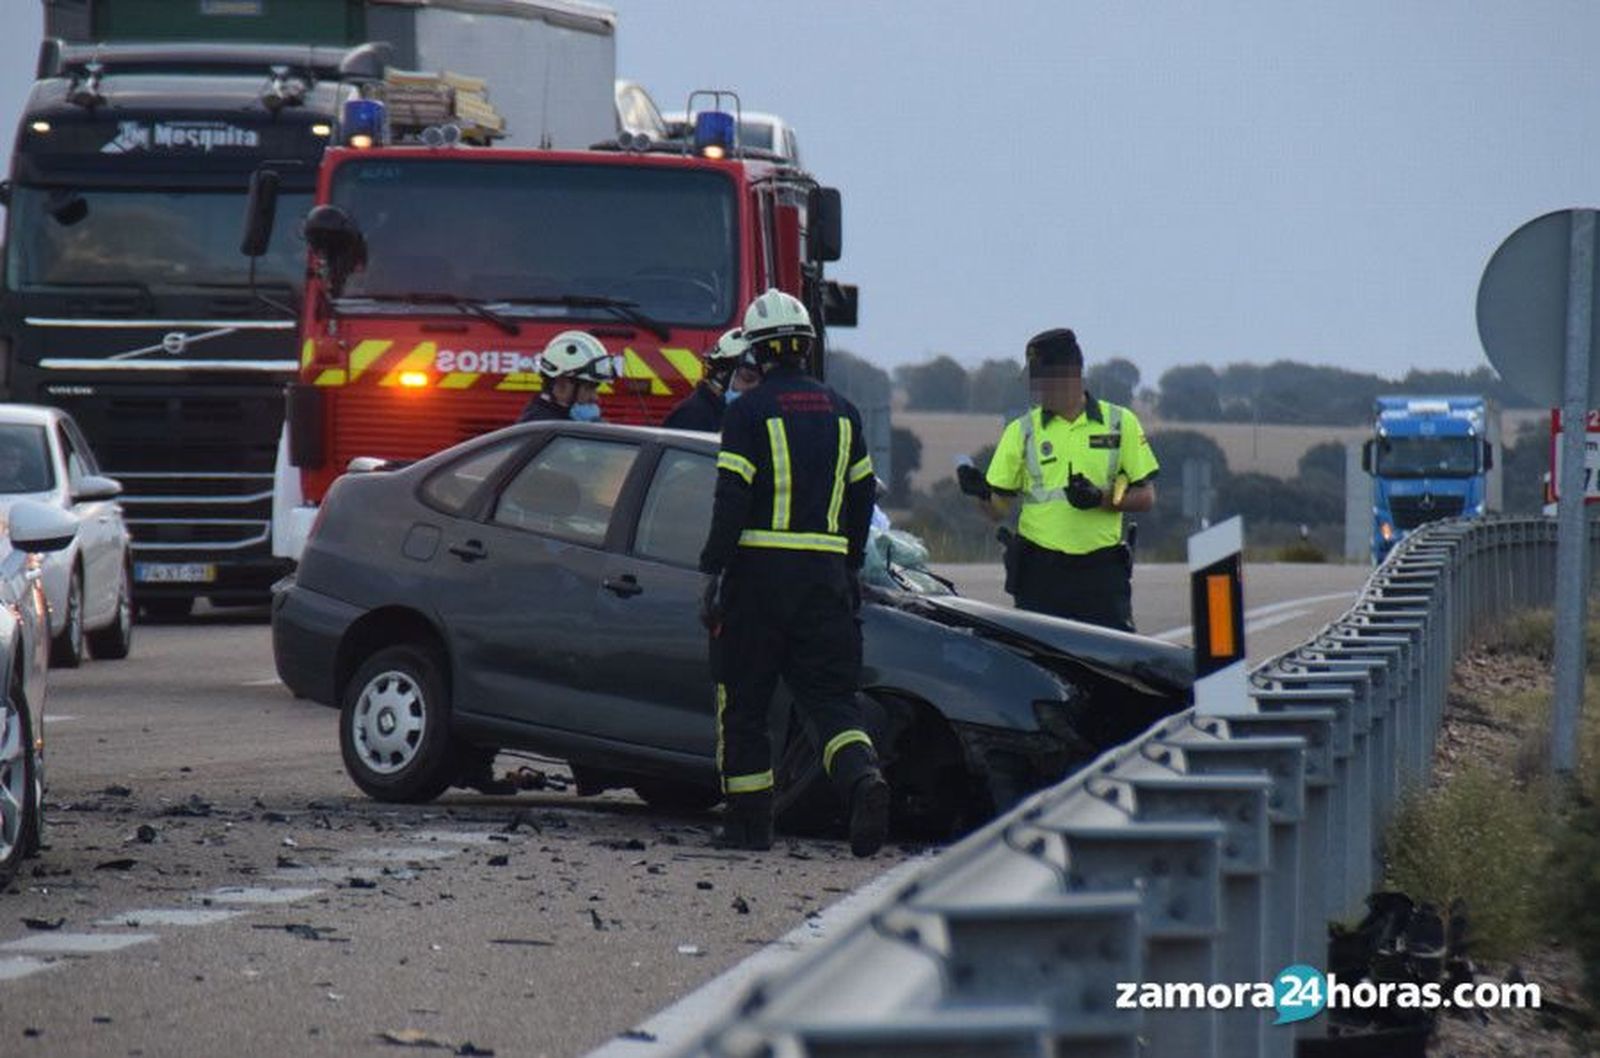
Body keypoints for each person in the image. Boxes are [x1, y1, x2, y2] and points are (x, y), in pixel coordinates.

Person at [697, 288, 889, 856]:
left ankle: (748, 828)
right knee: (832, 702)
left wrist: (713, 570)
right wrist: (849, 567)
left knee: (746, 705)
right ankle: (862, 782)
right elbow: (861, 504)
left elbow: (730, 500)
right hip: (826, 582)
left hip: (758, 581)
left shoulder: (748, 413)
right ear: (807, 348)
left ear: (756, 353)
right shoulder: (846, 413)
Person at [958, 328, 1158, 631]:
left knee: (1109, 665)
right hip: (1040, 574)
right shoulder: (1021, 430)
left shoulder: (1120, 423)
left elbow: (1145, 496)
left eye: (1042, 378)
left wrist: (1100, 498)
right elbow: (999, 509)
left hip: (1100, 574)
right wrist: (980, 494)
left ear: (1071, 374)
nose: (1035, 388)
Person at [663, 328, 763, 432]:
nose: (756, 387)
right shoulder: (690, 417)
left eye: (762, 381)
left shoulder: (740, 415)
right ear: (721, 375)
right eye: (748, 379)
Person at [516, 330, 614, 423]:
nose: (595, 397)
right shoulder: (542, 428)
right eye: (589, 388)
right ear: (562, 384)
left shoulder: (558, 424)